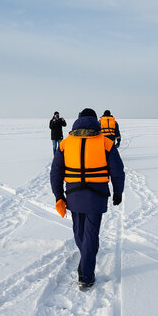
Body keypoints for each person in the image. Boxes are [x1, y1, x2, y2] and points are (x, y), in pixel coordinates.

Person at [51, 108, 125, 289]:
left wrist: (59, 196)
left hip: (74, 195)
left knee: (79, 232)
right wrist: (117, 192)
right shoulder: (106, 143)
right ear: (95, 121)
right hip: (97, 197)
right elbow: (117, 172)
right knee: (90, 235)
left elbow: (55, 173)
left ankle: (86, 271)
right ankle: (86, 269)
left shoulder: (65, 143)